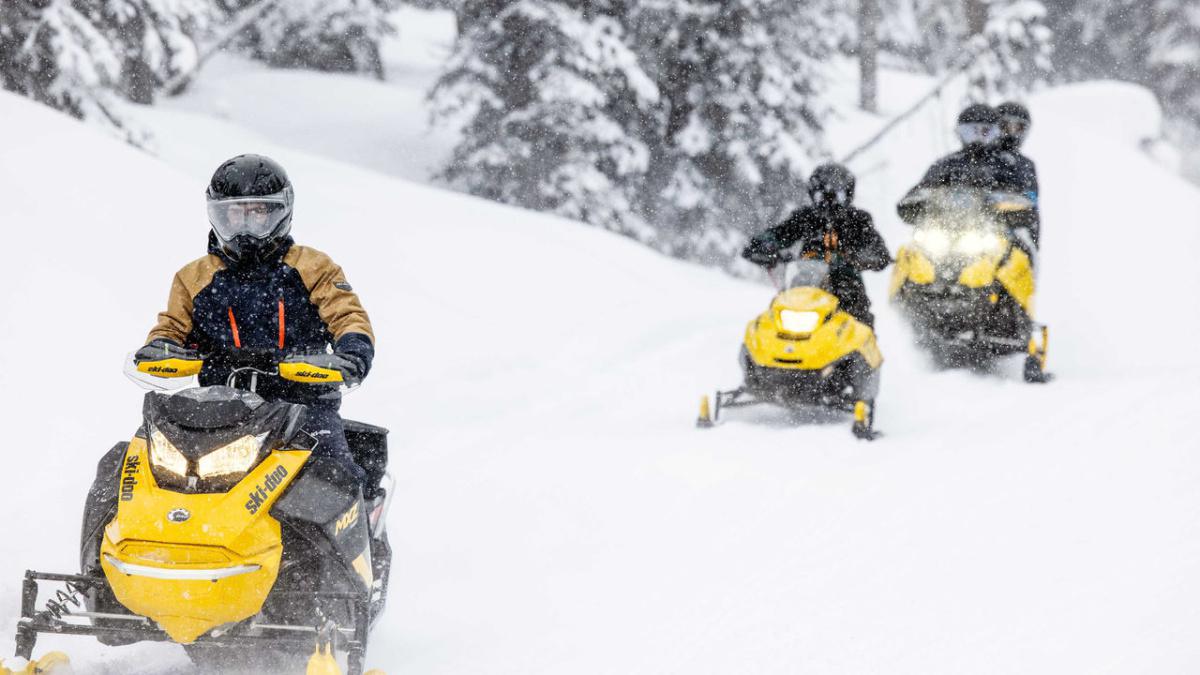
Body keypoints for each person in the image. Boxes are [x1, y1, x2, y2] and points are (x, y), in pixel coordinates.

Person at [132, 154, 377, 495]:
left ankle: (353, 539)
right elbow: (171, 326)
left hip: (301, 403)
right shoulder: (194, 277)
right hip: (217, 407)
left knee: (334, 479)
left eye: (257, 213)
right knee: (149, 464)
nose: (245, 226)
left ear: (280, 214)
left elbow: (347, 314)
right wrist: (160, 347)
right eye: (235, 213)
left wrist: (353, 349)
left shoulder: (313, 267)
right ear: (217, 214)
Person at [743, 163, 891, 327]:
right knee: (774, 321)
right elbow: (778, 233)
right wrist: (765, 246)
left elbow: (877, 249)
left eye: (836, 196)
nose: (829, 202)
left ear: (847, 195)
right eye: (822, 195)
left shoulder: (858, 220)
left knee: (860, 326)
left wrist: (866, 257)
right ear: (813, 195)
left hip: (847, 290)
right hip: (804, 287)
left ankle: (860, 351)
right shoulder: (805, 218)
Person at [996, 101, 1040, 248]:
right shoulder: (980, 157)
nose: (1011, 133)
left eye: (1018, 128)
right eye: (1005, 126)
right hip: (972, 228)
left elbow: (1030, 203)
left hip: (1008, 235)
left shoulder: (1025, 165)